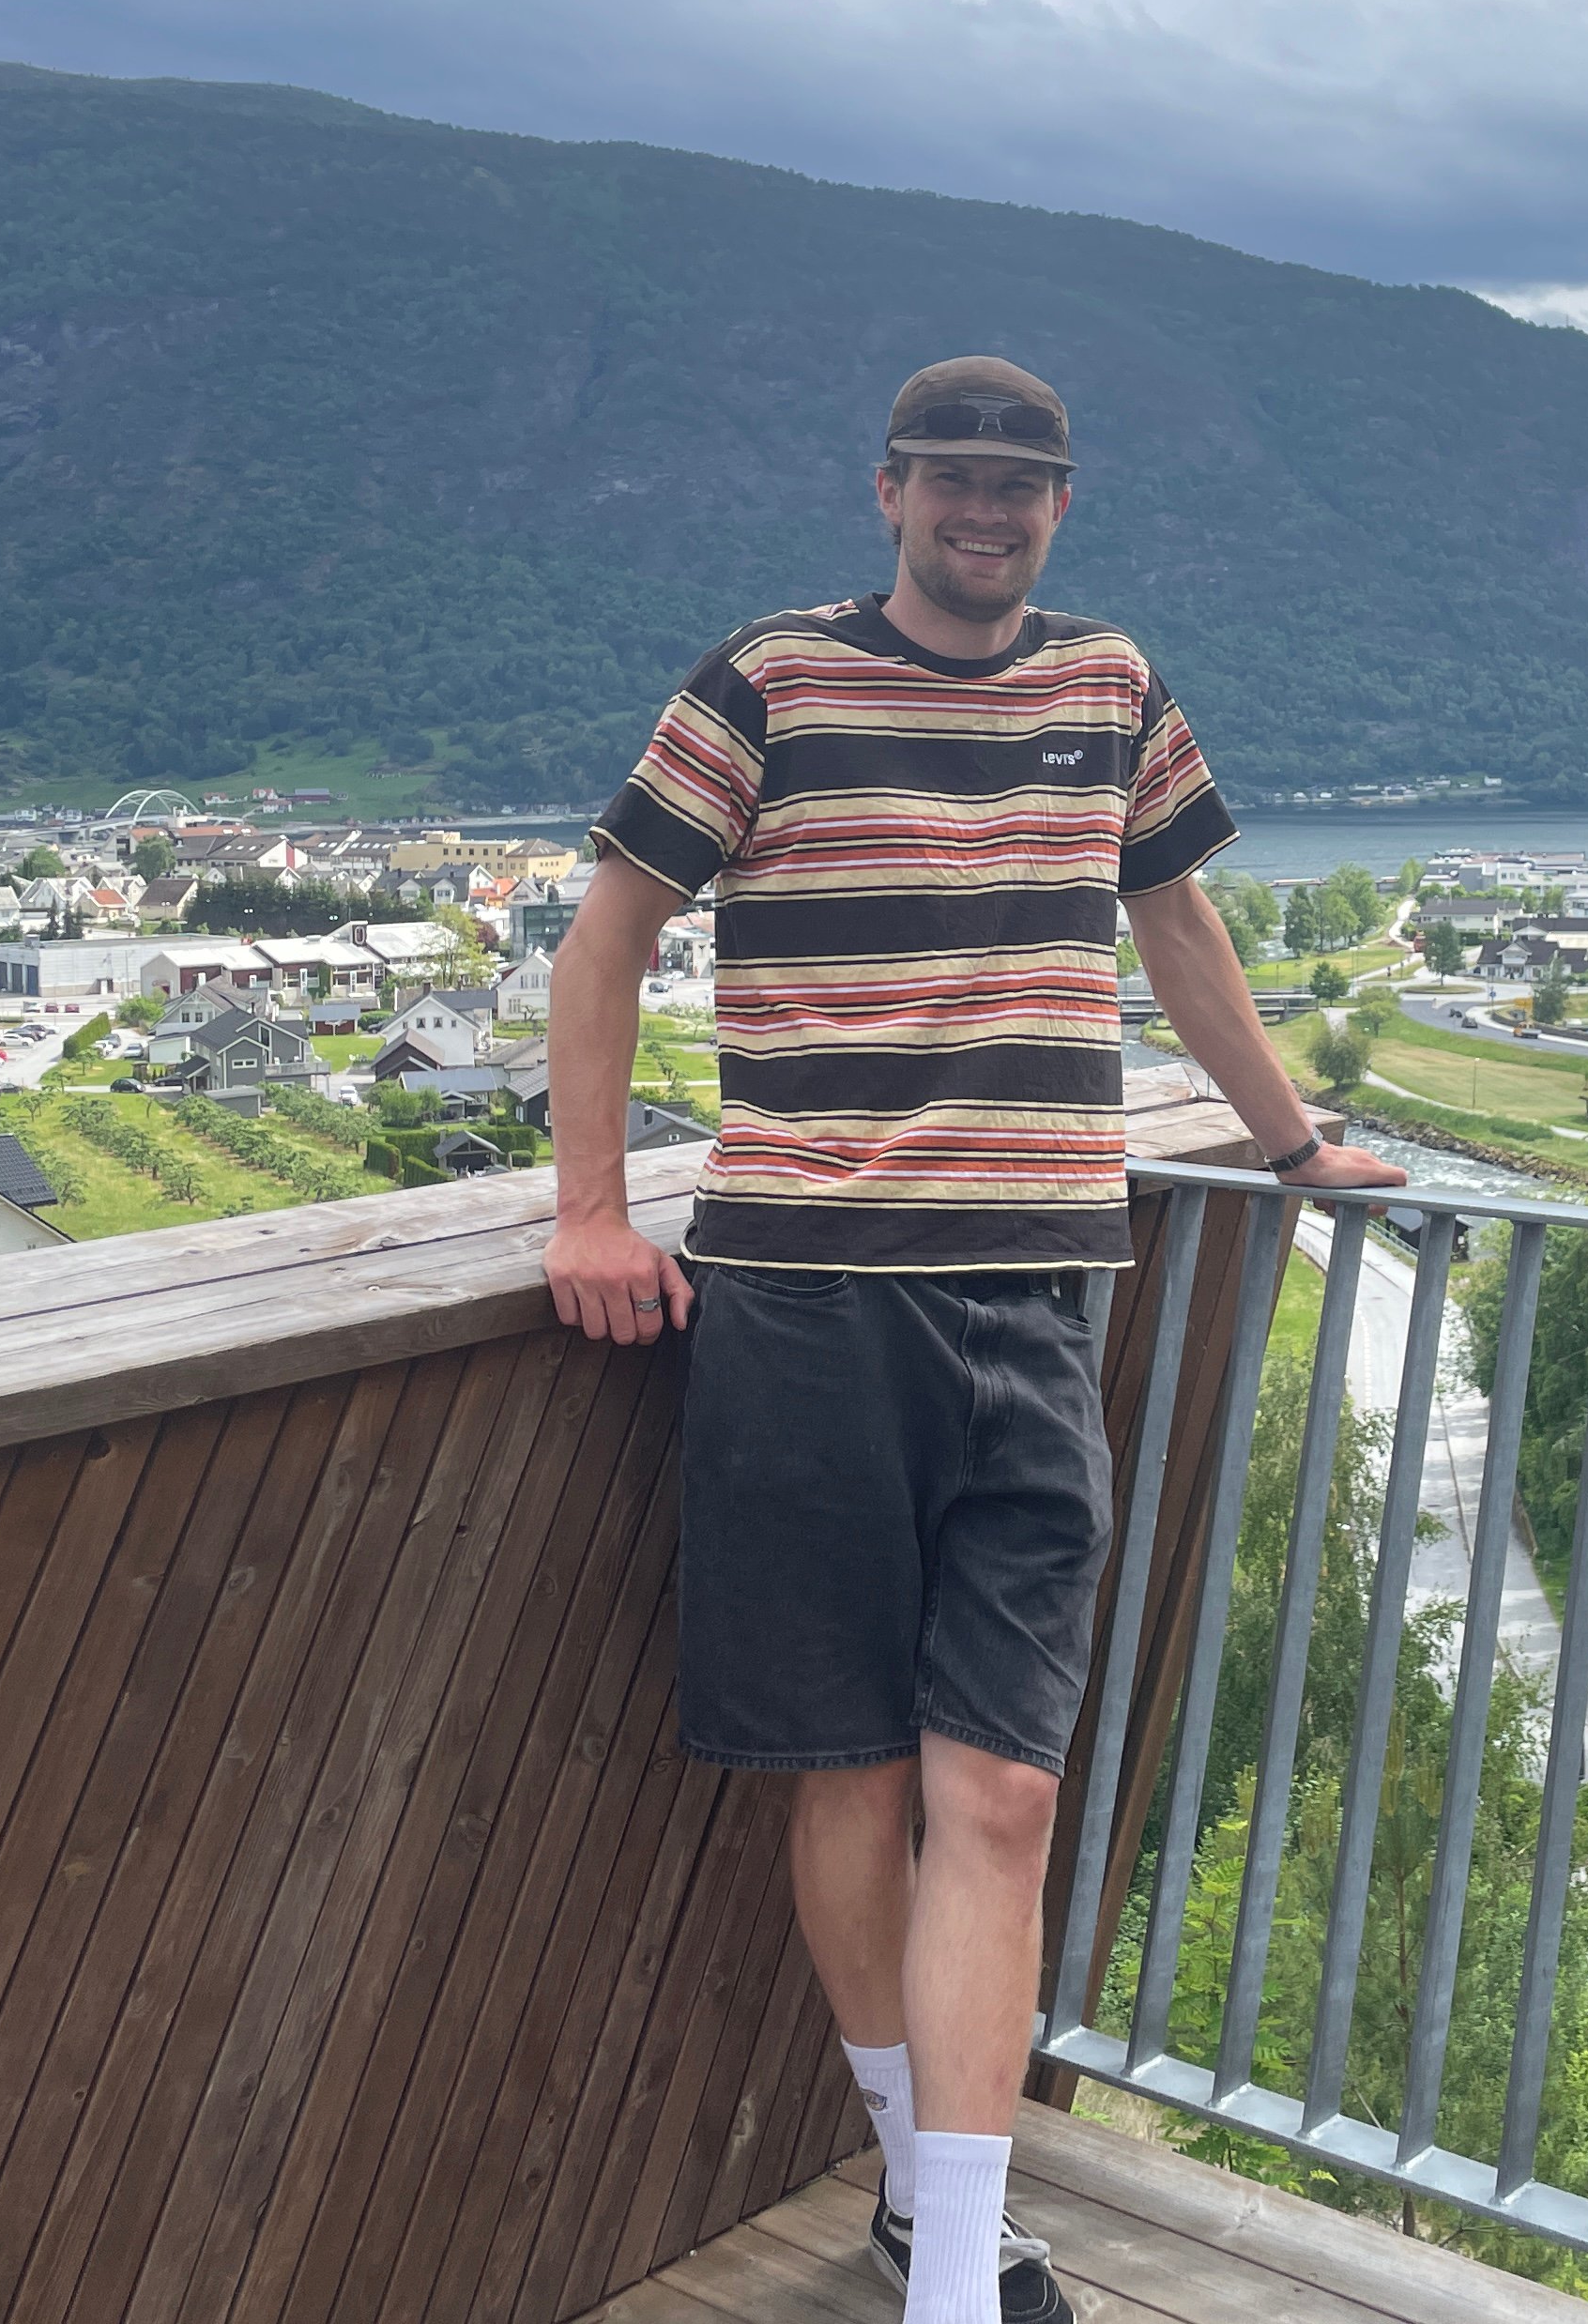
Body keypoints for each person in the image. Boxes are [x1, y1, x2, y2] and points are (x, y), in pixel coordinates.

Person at [542, 357, 1399, 2324]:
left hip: (1039, 1284)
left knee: (1001, 1788)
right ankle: (942, 2225)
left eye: (1020, 486)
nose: (984, 511)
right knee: (849, 1775)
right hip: (807, 1289)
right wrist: (587, 1210)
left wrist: (1290, 1143)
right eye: (951, 478)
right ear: (890, 489)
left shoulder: (1110, 685)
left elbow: (1178, 927)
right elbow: (607, 939)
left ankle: (943, 2247)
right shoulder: (768, 680)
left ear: (1061, 506)